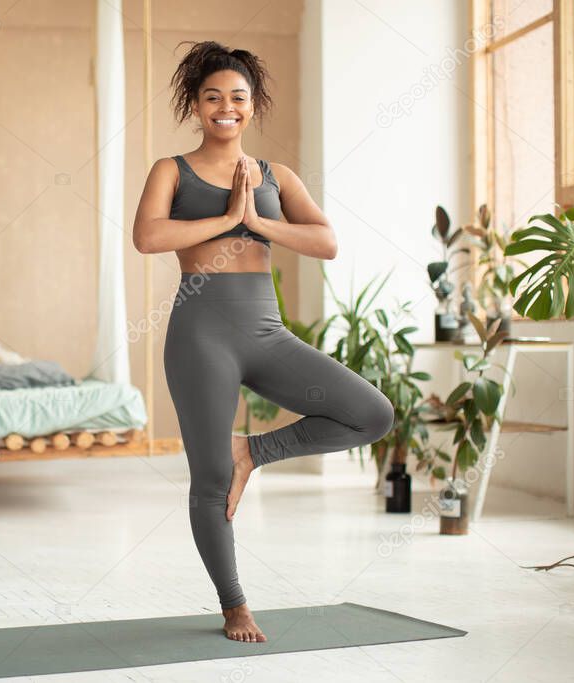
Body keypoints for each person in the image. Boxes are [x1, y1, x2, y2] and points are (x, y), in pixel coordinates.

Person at [132, 40, 395, 643]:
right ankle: (235, 606)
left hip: (266, 331)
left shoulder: (278, 176)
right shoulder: (172, 169)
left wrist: (256, 218)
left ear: (253, 106)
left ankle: (254, 450)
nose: (226, 107)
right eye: (213, 97)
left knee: (371, 413)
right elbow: (148, 237)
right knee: (209, 480)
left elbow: (324, 242)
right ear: (196, 106)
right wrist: (227, 218)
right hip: (202, 334)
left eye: (238, 97)